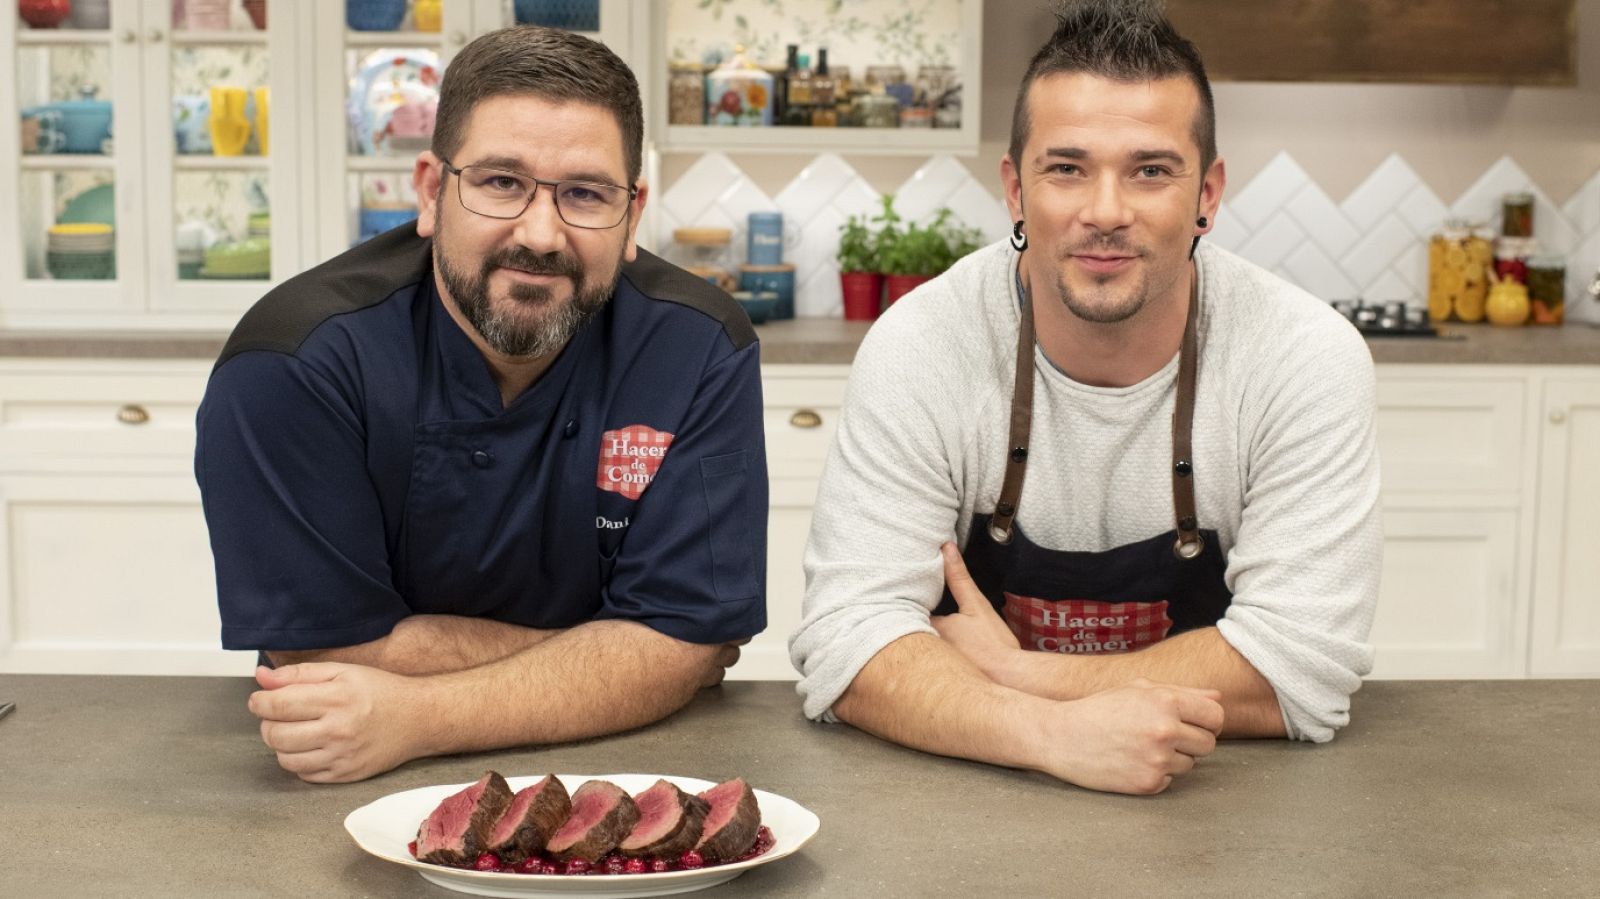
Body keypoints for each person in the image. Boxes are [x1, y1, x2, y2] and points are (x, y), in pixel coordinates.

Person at [789, 0, 1381, 796]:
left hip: (1232, 806)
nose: (1106, 212)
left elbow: (1300, 663)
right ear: (1015, 190)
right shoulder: (923, 343)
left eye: (1150, 169)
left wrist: (1018, 672)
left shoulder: (1302, 356)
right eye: (1066, 168)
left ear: (1207, 192)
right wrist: (1051, 732)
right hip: (959, 805)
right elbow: (849, 640)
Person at [196, 27, 767, 783]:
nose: (540, 233)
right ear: (432, 192)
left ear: (633, 213)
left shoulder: (697, 349)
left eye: (586, 194)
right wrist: (637, 654)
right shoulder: (294, 362)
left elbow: (681, 643)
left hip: (631, 769)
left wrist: (418, 712)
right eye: (501, 182)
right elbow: (323, 648)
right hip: (348, 771)